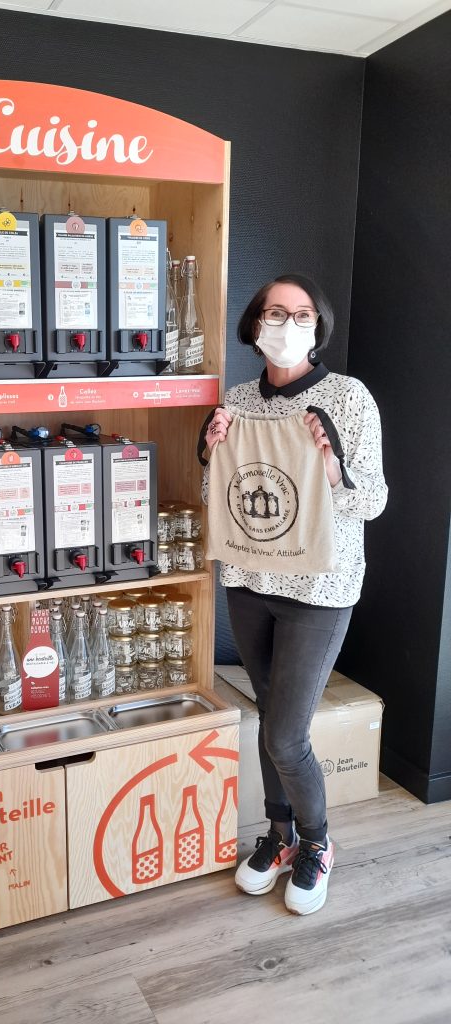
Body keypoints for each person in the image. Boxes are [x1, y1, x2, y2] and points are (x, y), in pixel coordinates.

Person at [199, 273, 387, 915]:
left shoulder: (348, 398)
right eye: (275, 312)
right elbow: (221, 500)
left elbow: (373, 502)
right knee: (270, 712)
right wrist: (210, 456)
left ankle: (316, 844)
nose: (286, 324)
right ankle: (278, 838)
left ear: (318, 326)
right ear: (254, 325)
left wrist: (333, 468)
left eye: (301, 314)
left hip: (319, 587)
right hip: (250, 580)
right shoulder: (238, 401)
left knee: (285, 734)